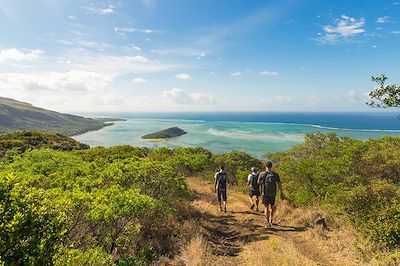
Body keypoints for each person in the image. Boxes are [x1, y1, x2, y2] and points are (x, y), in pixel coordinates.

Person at [258, 161, 284, 228]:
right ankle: (271, 220)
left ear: (265, 166)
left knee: (266, 208)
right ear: (271, 166)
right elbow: (279, 184)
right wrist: (281, 192)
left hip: (265, 193)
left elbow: (258, 182)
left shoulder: (262, 174)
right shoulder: (275, 174)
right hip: (273, 194)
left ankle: (267, 223)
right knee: (272, 207)